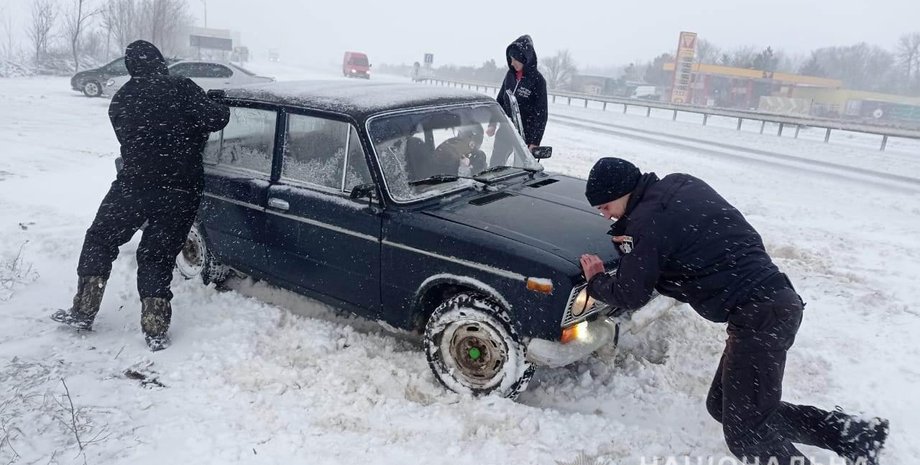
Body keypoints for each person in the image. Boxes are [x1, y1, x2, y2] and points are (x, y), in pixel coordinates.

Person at [578, 157, 889, 465]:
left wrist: (596, 280)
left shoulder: (647, 222)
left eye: (606, 207)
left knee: (746, 432)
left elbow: (631, 294)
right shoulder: (678, 184)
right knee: (723, 405)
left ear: (623, 190)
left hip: (760, 316)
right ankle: (852, 434)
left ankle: (850, 434)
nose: (606, 216)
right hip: (775, 301)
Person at [51, 40, 230, 351]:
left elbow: (133, 140)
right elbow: (215, 120)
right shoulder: (181, 87)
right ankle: (155, 328)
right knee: (157, 256)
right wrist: (217, 104)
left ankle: (84, 308)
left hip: (132, 186)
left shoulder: (120, 99)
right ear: (160, 61)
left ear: (130, 66)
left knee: (100, 239)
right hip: (179, 189)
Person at [486, 35, 547, 167]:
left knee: (521, 168)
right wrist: (493, 123)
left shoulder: (538, 81)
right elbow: (500, 100)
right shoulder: (510, 76)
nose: (512, 63)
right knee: (495, 164)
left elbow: (541, 114)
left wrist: (535, 141)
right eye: (511, 59)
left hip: (525, 136)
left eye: (515, 60)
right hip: (506, 129)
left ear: (525, 58)